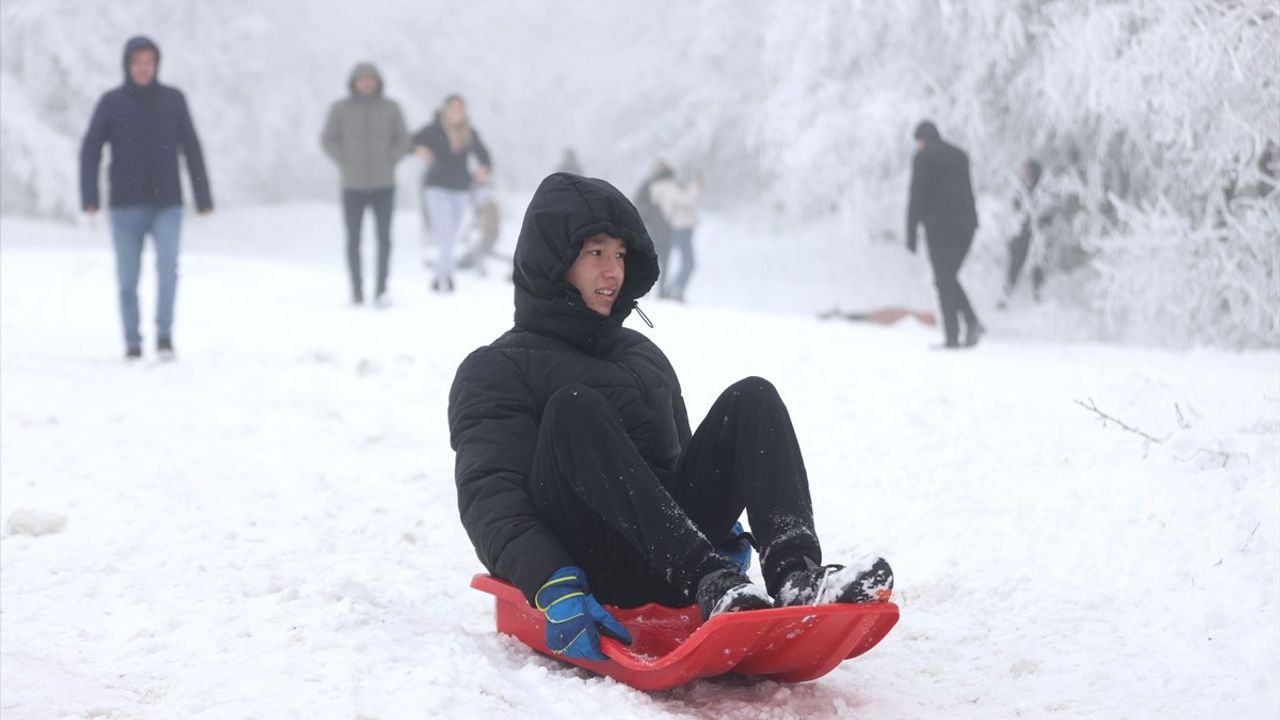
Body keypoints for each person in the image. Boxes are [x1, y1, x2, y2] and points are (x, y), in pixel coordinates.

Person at [448, 172, 893, 662]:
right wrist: (550, 581)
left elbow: (674, 466)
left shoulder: (643, 357)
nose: (613, 271)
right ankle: (710, 580)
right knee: (574, 407)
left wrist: (720, 534)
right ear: (554, 262)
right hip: (590, 571)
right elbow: (490, 497)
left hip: (671, 565)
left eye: (620, 254)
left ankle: (794, 578)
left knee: (753, 398)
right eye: (595, 253)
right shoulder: (496, 369)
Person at [80, 36, 213, 361]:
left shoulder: (174, 100)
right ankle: (132, 341)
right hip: (125, 206)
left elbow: (192, 148)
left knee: (168, 269)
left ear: (156, 64)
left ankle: (165, 336)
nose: (143, 68)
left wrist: (203, 196)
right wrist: (90, 196)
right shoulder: (111, 102)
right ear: (128, 65)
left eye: (149, 62)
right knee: (128, 277)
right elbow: (90, 150)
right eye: (137, 62)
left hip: (167, 203)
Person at [321, 62, 409, 306]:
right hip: (352, 185)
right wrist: (344, 159)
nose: (366, 83)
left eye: (370, 78)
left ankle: (381, 288)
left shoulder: (391, 108)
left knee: (384, 238)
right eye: (362, 79)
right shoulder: (340, 109)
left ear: (378, 81)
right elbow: (328, 139)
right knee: (353, 239)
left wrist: (390, 158)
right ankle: (357, 288)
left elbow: (403, 139)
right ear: (354, 82)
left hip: (384, 185)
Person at [906, 120, 982, 348]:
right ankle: (969, 323)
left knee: (944, 278)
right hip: (966, 226)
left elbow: (917, 195)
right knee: (947, 277)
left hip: (939, 227)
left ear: (922, 139)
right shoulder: (959, 155)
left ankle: (954, 335)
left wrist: (911, 233)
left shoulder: (924, 157)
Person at [412, 95, 492, 293]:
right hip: (436, 187)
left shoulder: (469, 133)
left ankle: (440, 274)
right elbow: (410, 142)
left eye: (460, 108)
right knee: (445, 232)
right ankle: (444, 277)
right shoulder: (433, 131)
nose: (457, 111)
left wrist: (484, 169)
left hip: (461, 188)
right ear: (445, 110)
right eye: (453, 108)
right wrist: (418, 149)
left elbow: (484, 156)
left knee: (452, 233)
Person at [999, 159, 1049, 308]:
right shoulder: (1020, 191)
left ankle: (1038, 296)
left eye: (1027, 172)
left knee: (1037, 266)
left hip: (1036, 236)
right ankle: (1006, 296)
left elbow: (1048, 215)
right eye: (1024, 172)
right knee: (1014, 266)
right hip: (1020, 236)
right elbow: (1014, 211)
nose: (1025, 175)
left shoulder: (1042, 193)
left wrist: (1040, 220)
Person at [649, 166, 702, 302]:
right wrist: (695, 186)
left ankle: (673, 290)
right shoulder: (668, 187)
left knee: (684, 261)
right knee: (688, 262)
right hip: (681, 227)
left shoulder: (662, 188)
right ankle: (675, 290)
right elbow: (686, 201)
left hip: (679, 227)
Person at [632, 161, 674, 289]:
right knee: (659, 258)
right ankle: (657, 288)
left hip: (659, 227)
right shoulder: (667, 185)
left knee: (655, 258)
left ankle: (653, 288)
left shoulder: (651, 184)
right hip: (659, 227)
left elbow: (639, 202)